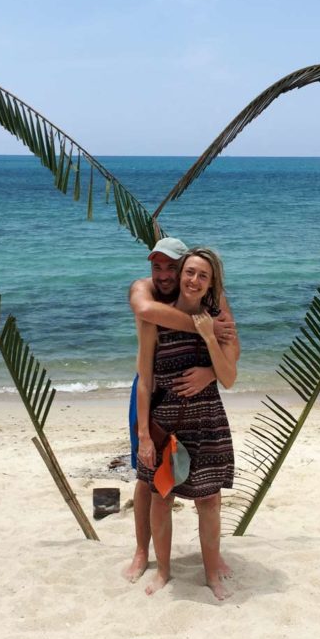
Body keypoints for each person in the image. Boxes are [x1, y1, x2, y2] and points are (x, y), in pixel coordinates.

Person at [124, 238, 237, 583]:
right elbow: (144, 313)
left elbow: (231, 363)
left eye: (172, 267)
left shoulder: (216, 302)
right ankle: (144, 553)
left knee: (207, 498)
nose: (165, 274)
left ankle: (211, 566)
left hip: (204, 411)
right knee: (150, 485)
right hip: (155, 396)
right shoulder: (145, 291)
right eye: (158, 266)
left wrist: (209, 370)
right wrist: (205, 329)